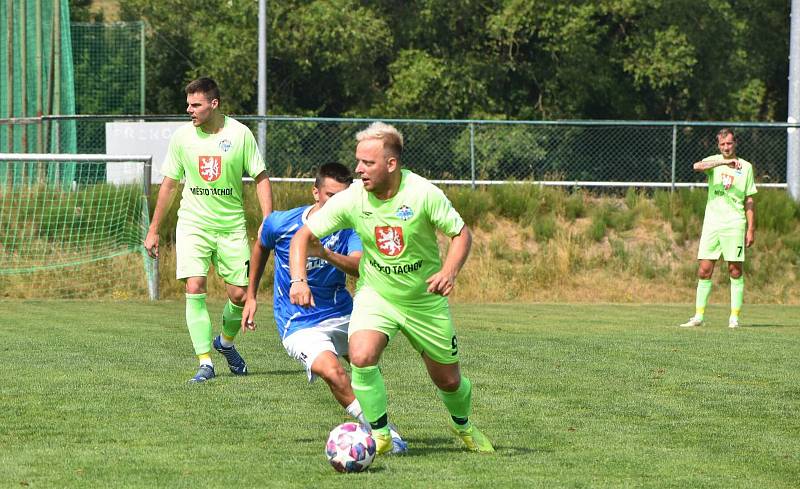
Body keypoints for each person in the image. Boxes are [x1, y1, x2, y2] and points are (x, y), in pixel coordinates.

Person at [288, 122, 494, 454]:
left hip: (423, 300)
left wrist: (449, 271)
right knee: (362, 355)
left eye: (367, 163)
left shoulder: (423, 193)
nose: (358, 169)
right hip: (376, 294)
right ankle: (381, 435)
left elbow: (461, 234)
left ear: (391, 164)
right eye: (358, 162)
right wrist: (299, 280)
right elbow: (303, 237)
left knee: (449, 380)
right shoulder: (354, 197)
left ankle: (464, 427)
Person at [241, 162, 406, 453]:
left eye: (342, 196)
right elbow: (261, 245)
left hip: (342, 312)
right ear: (315, 192)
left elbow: (357, 265)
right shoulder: (282, 223)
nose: (336, 203)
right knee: (333, 372)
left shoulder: (350, 227)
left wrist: (325, 253)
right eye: (330, 195)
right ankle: (383, 433)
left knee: (366, 365)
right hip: (298, 321)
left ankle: (376, 426)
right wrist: (252, 295)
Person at [144, 77, 273, 382]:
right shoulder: (182, 138)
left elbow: (261, 176)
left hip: (231, 227)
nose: (189, 109)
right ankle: (205, 363)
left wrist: (269, 221)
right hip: (193, 223)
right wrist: (154, 228)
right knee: (194, 287)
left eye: (196, 104)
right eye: (188, 104)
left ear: (213, 104)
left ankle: (225, 344)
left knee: (240, 294)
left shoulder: (240, 134)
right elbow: (170, 184)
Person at [680, 128, 756, 329]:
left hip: (735, 224)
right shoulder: (714, 161)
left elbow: (749, 200)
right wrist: (724, 162)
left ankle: (734, 317)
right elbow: (697, 166)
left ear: (735, 143)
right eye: (722, 144)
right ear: (718, 145)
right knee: (704, 270)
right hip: (713, 224)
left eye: (729, 143)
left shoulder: (746, 167)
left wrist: (751, 229)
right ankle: (698, 316)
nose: (726, 147)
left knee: (735, 270)